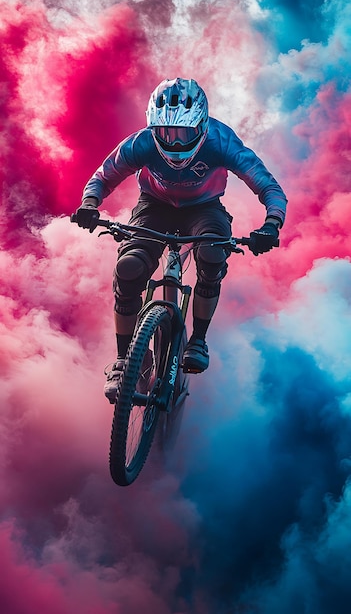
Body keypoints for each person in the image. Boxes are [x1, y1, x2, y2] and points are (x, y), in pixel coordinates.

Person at [75, 78, 287, 402]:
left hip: (204, 209)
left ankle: (198, 339)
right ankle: (122, 361)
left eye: (184, 134)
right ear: (153, 127)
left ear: (202, 125)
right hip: (154, 206)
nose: (174, 144)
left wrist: (272, 224)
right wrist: (90, 204)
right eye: (165, 133)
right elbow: (105, 175)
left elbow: (268, 186)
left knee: (213, 256)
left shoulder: (221, 140)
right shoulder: (142, 142)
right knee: (129, 268)